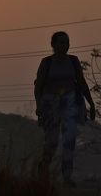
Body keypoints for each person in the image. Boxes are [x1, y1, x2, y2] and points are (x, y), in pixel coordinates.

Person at [34, 31, 96, 187]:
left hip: (70, 103)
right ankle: (44, 169)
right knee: (52, 142)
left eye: (67, 42)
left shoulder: (73, 61)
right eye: (61, 42)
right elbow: (38, 86)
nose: (65, 46)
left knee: (69, 140)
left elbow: (81, 83)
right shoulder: (47, 62)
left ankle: (67, 176)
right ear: (53, 45)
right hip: (50, 105)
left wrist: (91, 103)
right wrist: (38, 106)